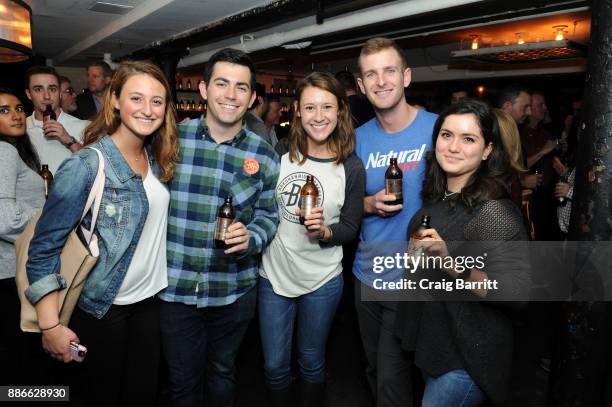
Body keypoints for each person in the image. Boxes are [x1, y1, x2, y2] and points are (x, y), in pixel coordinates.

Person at [25, 60, 179, 406]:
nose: (148, 109)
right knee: (98, 395)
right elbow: (44, 247)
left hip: (149, 304)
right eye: (136, 98)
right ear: (115, 101)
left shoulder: (156, 158)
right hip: (100, 311)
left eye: (157, 101)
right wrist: (50, 326)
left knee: (141, 395)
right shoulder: (86, 165)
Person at [159, 48, 280, 407]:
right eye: (222, 83)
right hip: (175, 289)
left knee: (223, 374)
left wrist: (252, 236)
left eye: (241, 87)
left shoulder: (265, 155)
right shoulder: (170, 141)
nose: (231, 94)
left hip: (233, 290)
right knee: (182, 384)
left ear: (253, 97)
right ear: (203, 89)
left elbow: (269, 216)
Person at [396, 98, 530, 406]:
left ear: (486, 150)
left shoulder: (494, 213)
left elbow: (516, 294)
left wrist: (450, 263)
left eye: (468, 138)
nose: (453, 146)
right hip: (434, 349)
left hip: (468, 360)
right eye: (447, 135)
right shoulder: (433, 208)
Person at [258, 72, 365, 406]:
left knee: (311, 361)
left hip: (323, 280)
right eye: (310, 107)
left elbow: (350, 227)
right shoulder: (279, 153)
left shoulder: (351, 166)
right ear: (298, 112)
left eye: (327, 107)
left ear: (340, 112)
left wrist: (325, 232)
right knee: (275, 366)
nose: (319, 116)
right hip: (274, 276)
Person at [352, 37, 438, 407]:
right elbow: (341, 202)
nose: (381, 81)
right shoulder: (356, 140)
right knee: (375, 369)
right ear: (360, 86)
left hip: (418, 279)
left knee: (398, 375)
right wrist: (366, 204)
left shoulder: (439, 130)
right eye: (371, 74)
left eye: (389, 71)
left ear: (406, 76)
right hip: (366, 275)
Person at [0, 88, 45, 385]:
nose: (16, 114)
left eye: (18, 108)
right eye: (4, 110)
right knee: (18, 360)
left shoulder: (15, 149)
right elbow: (5, 221)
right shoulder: (3, 151)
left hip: (13, 267)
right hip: (9, 271)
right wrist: (48, 217)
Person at [25, 66, 88, 174]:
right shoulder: (21, 128)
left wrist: (69, 140)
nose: (46, 96)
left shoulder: (84, 126)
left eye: (52, 89)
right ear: (29, 94)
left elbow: (98, 168)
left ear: (59, 93)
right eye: (38, 89)